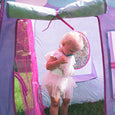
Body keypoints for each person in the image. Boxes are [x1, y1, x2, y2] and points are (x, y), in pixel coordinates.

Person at [42, 31, 84, 115]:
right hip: (54, 81)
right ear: (63, 43)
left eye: (75, 52)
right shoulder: (56, 54)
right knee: (55, 102)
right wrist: (58, 62)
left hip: (65, 80)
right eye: (71, 50)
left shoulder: (70, 54)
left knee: (66, 101)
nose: (72, 53)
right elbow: (48, 66)